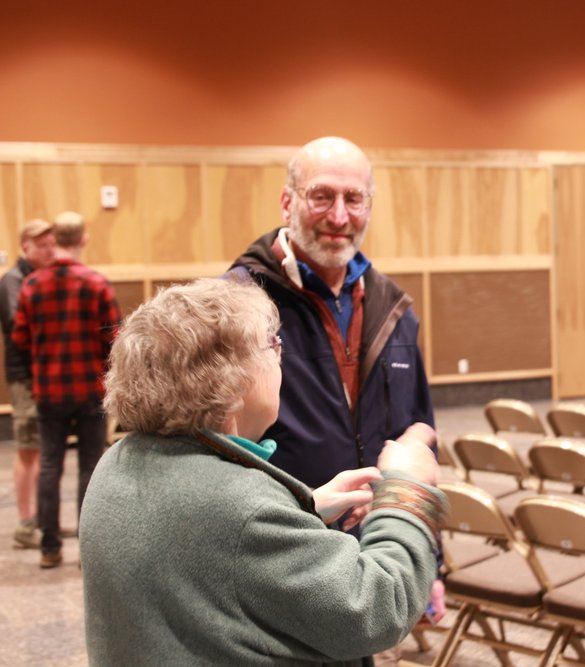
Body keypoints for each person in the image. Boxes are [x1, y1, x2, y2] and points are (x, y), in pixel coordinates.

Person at [79, 278, 446, 664]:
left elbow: (201, 549)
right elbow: (377, 610)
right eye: (272, 344)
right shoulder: (240, 510)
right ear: (231, 384)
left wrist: (299, 510)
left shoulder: (116, 462)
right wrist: (406, 490)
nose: (280, 355)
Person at [228, 136, 444, 627]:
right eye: (322, 196)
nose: (339, 216)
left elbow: (418, 441)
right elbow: (216, 455)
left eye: (354, 199)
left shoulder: (394, 308)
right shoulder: (237, 306)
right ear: (288, 201)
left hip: (375, 550)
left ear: (370, 205)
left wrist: (428, 558)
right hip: (281, 556)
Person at [11, 211, 121, 569]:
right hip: (90, 389)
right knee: (90, 466)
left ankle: (49, 547)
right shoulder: (97, 284)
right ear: (84, 239)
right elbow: (115, 339)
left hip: (49, 390)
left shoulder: (31, 285)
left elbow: (19, 338)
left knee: (49, 466)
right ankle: (87, 551)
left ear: (54, 240)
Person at [0, 219, 57, 548]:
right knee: (28, 449)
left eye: (52, 244)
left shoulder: (41, 277)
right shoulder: (13, 280)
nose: (49, 250)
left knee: (42, 451)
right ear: (25, 247)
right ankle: (25, 524)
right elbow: (19, 328)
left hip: (44, 376)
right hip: (25, 377)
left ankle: (42, 519)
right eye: (42, 245)